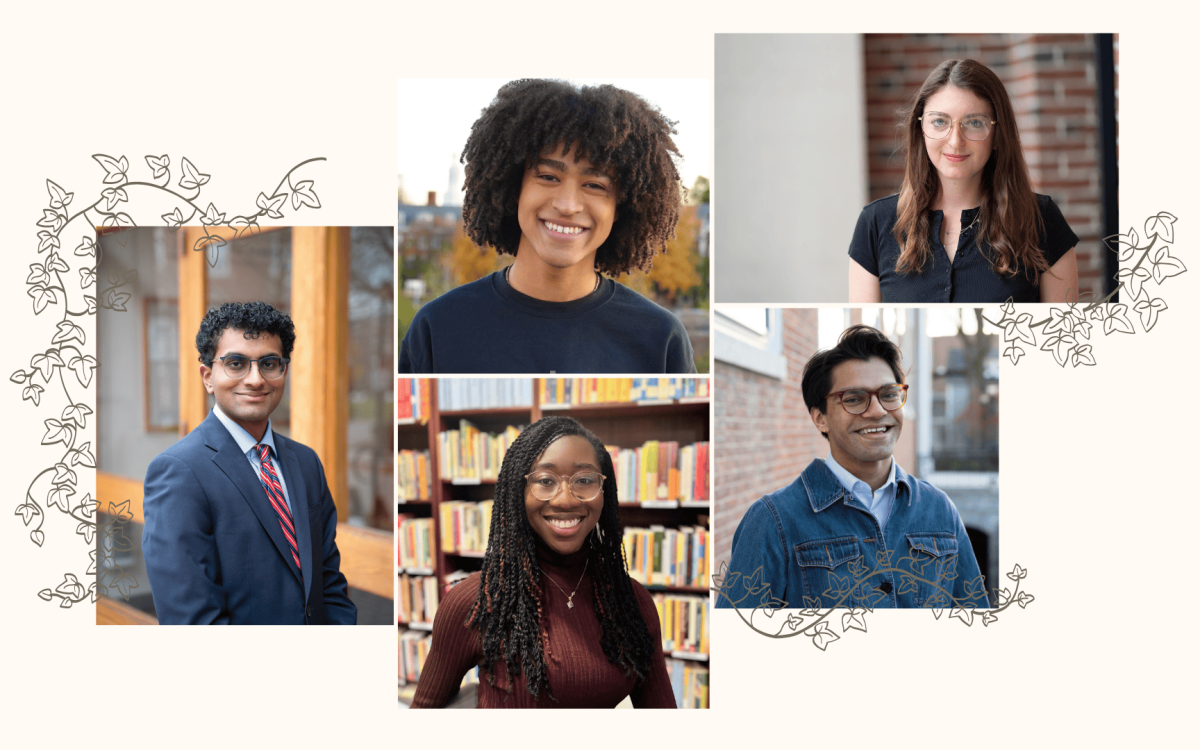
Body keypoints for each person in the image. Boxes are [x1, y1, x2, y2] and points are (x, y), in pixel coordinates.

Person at [398, 79, 696, 374]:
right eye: (549, 177)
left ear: (622, 206)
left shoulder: (660, 340)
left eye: (594, 185)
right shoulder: (438, 329)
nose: (568, 205)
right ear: (514, 186)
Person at [717, 325, 988, 610]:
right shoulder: (773, 521)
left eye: (889, 394)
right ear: (820, 418)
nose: (878, 410)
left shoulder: (940, 510)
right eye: (854, 399)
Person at [411, 416, 675, 708]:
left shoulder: (632, 602)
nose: (565, 500)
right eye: (545, 481)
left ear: (604, 492)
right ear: (518, 492)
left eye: (584, 480)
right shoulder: (476, 602)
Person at [141, 302, 356, 625]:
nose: (256, 379)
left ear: (284, 371)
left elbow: (329, 582)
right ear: (208, 377)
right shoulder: (178, 472)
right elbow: (191, 619)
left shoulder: (306, 462)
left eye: (269, 363)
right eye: (236, 363)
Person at [849, 59, 1079, 303]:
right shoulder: (875, 224)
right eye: (940, 121)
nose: (955, 141)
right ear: (921, 129)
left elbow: (1063, 328)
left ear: (998, 134)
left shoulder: (1041, 220)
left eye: (974, 122)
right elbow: (863, 323)